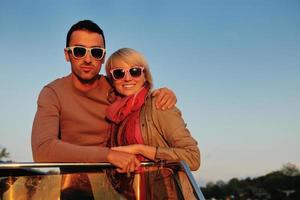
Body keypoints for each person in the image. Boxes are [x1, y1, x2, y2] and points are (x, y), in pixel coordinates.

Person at [31, 20, 177, 173]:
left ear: (103, 57)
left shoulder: (116, 84)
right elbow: (43, 150)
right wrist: (107, 155)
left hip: (124, 184)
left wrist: (163, 93)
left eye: (96, 52)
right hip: (75, 188)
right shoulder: (53, 93)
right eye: (79, 51)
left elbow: (141, 97)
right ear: (67, 55)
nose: (88, 59)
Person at [105, 48, 200, 199]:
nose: (127, 78)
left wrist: (141, 149)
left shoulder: (159, 105)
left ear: (145, 75)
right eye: (119, 73)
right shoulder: (114, 114)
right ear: (112, 79)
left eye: (135, 71)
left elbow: (192, 157)